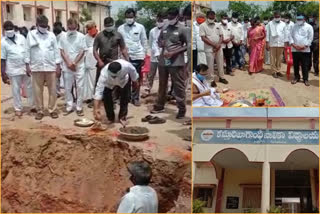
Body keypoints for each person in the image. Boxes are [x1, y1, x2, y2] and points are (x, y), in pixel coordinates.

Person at [150, 8, 189, 119]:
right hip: (163, 60)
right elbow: (159, 40)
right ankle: (159, 105)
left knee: (178, 86)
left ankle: (181, 109)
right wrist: (160, 43)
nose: (170, 19)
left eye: (172, 17)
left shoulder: (183, 29)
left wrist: (174, 52)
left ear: (177, 16)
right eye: (169, 17)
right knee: (162, 84)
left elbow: (187, 46)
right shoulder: (165, 27)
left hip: (176, 61)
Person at [25, 15, 61, 120]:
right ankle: (39, 110)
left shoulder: (51, 35)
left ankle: (52, 109)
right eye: (42, 25)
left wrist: (58, 65)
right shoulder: (30, 35)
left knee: (53, 90)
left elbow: (56, 51)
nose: (44, 27)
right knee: (37, 90)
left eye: (45, 25)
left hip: (50, 66)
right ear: (37, 25)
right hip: (36, 67)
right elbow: (27, 50)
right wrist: (27, 65)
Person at [93, 17, 129, 115]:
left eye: (110, 25)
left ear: (113, 24)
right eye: (107, 26)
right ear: (104, 26)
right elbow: (95, 50)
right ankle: (99, 103)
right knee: (100, 84)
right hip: (102, 62)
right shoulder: (99, 36)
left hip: (114, 63)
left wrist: (127, 60)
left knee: (113, 84)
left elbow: (123, 49)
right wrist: (99, 60)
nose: (109, 27)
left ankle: (112, 102)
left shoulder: (118, 35)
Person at [1, 21, 34, 117]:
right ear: (4, 30)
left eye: (10, 28)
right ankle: (18, 108)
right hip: (13, 69)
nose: (9, 30)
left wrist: (28, 65)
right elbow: (2, 59)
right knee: (15, 89)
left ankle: (32, 106)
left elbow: (27, 52)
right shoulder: (3, 42)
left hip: (24, 67)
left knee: (29, 87)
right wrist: (3, 74)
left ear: (14, 28)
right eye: (7, 29)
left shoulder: (21, 38)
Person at [93, 59, 139, 125]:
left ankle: (122, 117)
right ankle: (110, 117)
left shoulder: (127, 66)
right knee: (107, 98)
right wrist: (96, 109)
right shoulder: (104, 73)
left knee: (125, 98)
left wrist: (135, 83)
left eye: (114, 76)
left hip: (123, 81)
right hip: (109, 83)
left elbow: (134, 74)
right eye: (112, 75)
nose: (113, 77)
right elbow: (98, 91)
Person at [118, 8, 147, 107]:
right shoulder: (121, 28)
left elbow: (144, 42)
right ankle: (127, 97)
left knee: (136, 78)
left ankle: (136, 98)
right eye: (127, 17)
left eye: (131, 17)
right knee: (125, 78)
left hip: (137, 56)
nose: (129, 19)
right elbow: (119, 44)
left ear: (134, 17)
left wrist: (143, 56)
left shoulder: (140, 27)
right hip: (125, 57)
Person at [59, 18, 86, 116]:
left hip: (79, 66)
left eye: (74, 27)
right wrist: (68, 63)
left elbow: (82, 51)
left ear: (77, 26)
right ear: (67, 26)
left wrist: (74, 63)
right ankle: (69, 106)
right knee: (67, 87)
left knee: (80, 87)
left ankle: (79, 107)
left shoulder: (82, 36)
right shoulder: (63, 37)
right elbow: (61, 51)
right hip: (67, 67)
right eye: (70, 27)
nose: (72, 29)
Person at [200, 11, 228, 84]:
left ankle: (222, 77)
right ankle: (211, 80)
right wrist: (214, 45)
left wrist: (218, 45)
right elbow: (203, 38)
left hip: (219, 48)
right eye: (210, 16)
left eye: (213, 16)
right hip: (209, 48)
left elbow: (221, 36)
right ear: (207, 16)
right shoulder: (203, 25)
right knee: (210, 64)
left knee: (220, 63)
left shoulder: (218, 25)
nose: (212, 17)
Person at [288, 13, 314, 86]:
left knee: (305, 65)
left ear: (304, 19)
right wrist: (293, 45)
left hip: (305, 50)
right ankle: (296, 77)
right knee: (295, 64)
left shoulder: (309, 27)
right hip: (295, 49)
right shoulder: (293, 26)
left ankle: (305, 79)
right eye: (297, 19)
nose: (298, 20)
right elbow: (290, 36)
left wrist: (305, 46)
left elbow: (310, 38)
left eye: (300, 19)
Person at [145, 13, 165, 96]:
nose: (159, 22)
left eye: (161, 21)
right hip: (154, 56)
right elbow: (151, 43)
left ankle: (163, 91)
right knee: (151, 73)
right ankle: (148, 89)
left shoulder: (167, 30)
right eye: (158, 21)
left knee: (163, 74)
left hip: (164, 56)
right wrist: (151, 54)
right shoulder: (152, 31)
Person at [266, 11, 287, 78]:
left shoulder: (283, 24)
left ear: (280, 16)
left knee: (279, 58)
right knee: (272, 58)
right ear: (274, 16)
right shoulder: (270, 24)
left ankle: (278, 70)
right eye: (276, 17)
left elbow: (285, 34)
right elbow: (267, 34)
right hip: (272, 43)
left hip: (281, 43)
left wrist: (285, 43)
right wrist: (267, 43)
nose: (277, 18)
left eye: (278, 16)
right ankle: (273, 71)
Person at [83, 20, 98, 107]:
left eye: (90, 29)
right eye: (88, 29)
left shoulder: (100, 35)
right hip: (88, 62)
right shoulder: (85, 37)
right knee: (89, 81)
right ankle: (90, 97)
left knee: (97, 80)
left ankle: (97, 98)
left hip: (98, 61)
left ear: (95, 27)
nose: (89, 31)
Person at [53, 21, 66, 98]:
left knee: (65, 77)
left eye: (58, 26)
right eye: (55, 26)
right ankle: (57, 92)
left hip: (64, 59)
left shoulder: (65, 35)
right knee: (56, 77)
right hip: (56, 59)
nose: (57, 28)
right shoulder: (53, 35)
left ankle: (67, 93)